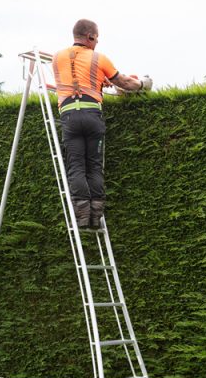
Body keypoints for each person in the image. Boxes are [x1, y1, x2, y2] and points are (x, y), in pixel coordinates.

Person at [51, 19, 152, 229]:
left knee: (76, 167)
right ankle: (95, 218)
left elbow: (74, 77)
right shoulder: (99, 58)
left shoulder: (57, 58)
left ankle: (81, 218)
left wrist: (99, 82)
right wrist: (143, 84)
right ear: (90, 37)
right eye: (96, 38)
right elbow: (123, 82)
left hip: (69, 116)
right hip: (92, 116)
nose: (97, 43)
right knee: (94, 166)